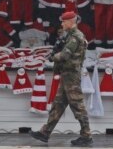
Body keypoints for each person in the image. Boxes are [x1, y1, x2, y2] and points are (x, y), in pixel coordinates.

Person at [30, 11, 93, 146]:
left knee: (78, 105)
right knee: (57, 105)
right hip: (66, 75)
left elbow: (64, 55)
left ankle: (86, 135)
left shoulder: (75, 37)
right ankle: (45, 133)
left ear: (71, 21)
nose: (62, 24)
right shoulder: (70, 36)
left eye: (64, 21)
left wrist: (51, 57)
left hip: (71, 76)